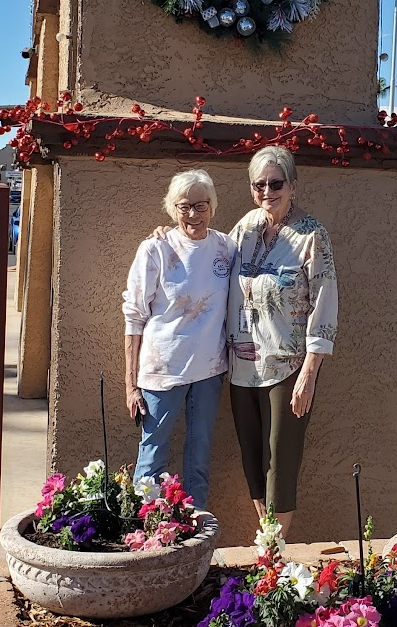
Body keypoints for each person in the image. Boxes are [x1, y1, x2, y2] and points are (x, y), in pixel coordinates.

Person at [227, 146, 338, 536]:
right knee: (253, 460)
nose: (267, 191)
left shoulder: (312, 235)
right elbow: (210, 258)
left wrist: (310, 371)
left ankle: (273, 553)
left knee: (280, 461)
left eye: (276, 183)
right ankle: (267, 540)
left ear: (292, 185)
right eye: (260, 184)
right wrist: (169, 236)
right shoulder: (244, 229)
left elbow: (325, 303)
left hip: (288, 366)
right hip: (242, 365)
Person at [123, 169, 236, 511]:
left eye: (201, 205)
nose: (193, 214)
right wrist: (130, 384)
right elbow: (134, 315)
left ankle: (194, 531)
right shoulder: (155, 248)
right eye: (184, 206)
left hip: (209, 370)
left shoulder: (226, 248)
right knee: (152, 456)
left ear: (212, 208)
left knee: (198, 459)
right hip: (162, 371)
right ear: (172, 209)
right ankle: (143, 535)